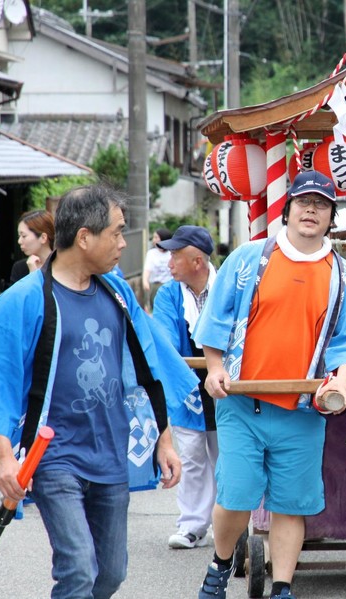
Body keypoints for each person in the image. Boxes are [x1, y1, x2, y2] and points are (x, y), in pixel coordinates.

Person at [0, 184, 197, 599]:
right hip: (54, 457)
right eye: (115, 232)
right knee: (77, 570)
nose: (121, 243)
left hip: (110, 452)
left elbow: (148, 367)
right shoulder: (22, 300)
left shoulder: (117, 292)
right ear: (84, 238)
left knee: (111, 573)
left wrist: (163, 440)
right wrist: (5, 460)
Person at [193, 170, 346, 599]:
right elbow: (214, 320)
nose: (311, 210)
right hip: (241, 401)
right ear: (287, 208)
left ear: (331, 217)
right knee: (236, 494)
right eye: (304, 202)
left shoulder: (341, 273)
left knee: (292, 502)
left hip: (304, 407)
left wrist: (342, 381)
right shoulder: (250, 257)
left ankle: (284, 586)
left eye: (322, 204)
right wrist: (215, 368)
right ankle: (219, 563)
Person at [152, 225, 219, 550]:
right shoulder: (167, 293)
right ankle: (193, 525)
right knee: (191, 456)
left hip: (225, 381)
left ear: (196, 261)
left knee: (228, 457)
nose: (169, 262)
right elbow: (164, 338)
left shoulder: (227, 288)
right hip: (187, 383)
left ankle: (230, 524)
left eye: (175, 255)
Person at [10, 210, 55, 284]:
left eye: (24, 236)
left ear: (43, 238)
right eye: (19, 236)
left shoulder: (63, 265)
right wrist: (32, 276)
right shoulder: (19, 268)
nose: (19, 241)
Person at [143, 227, 173, 310]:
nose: (154, 240)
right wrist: (145, 281)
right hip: (156, 286)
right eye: (153, 237)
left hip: (169, 285)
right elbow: (147, 269)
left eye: (156, 237)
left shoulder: (171, 253)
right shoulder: (151, 253)